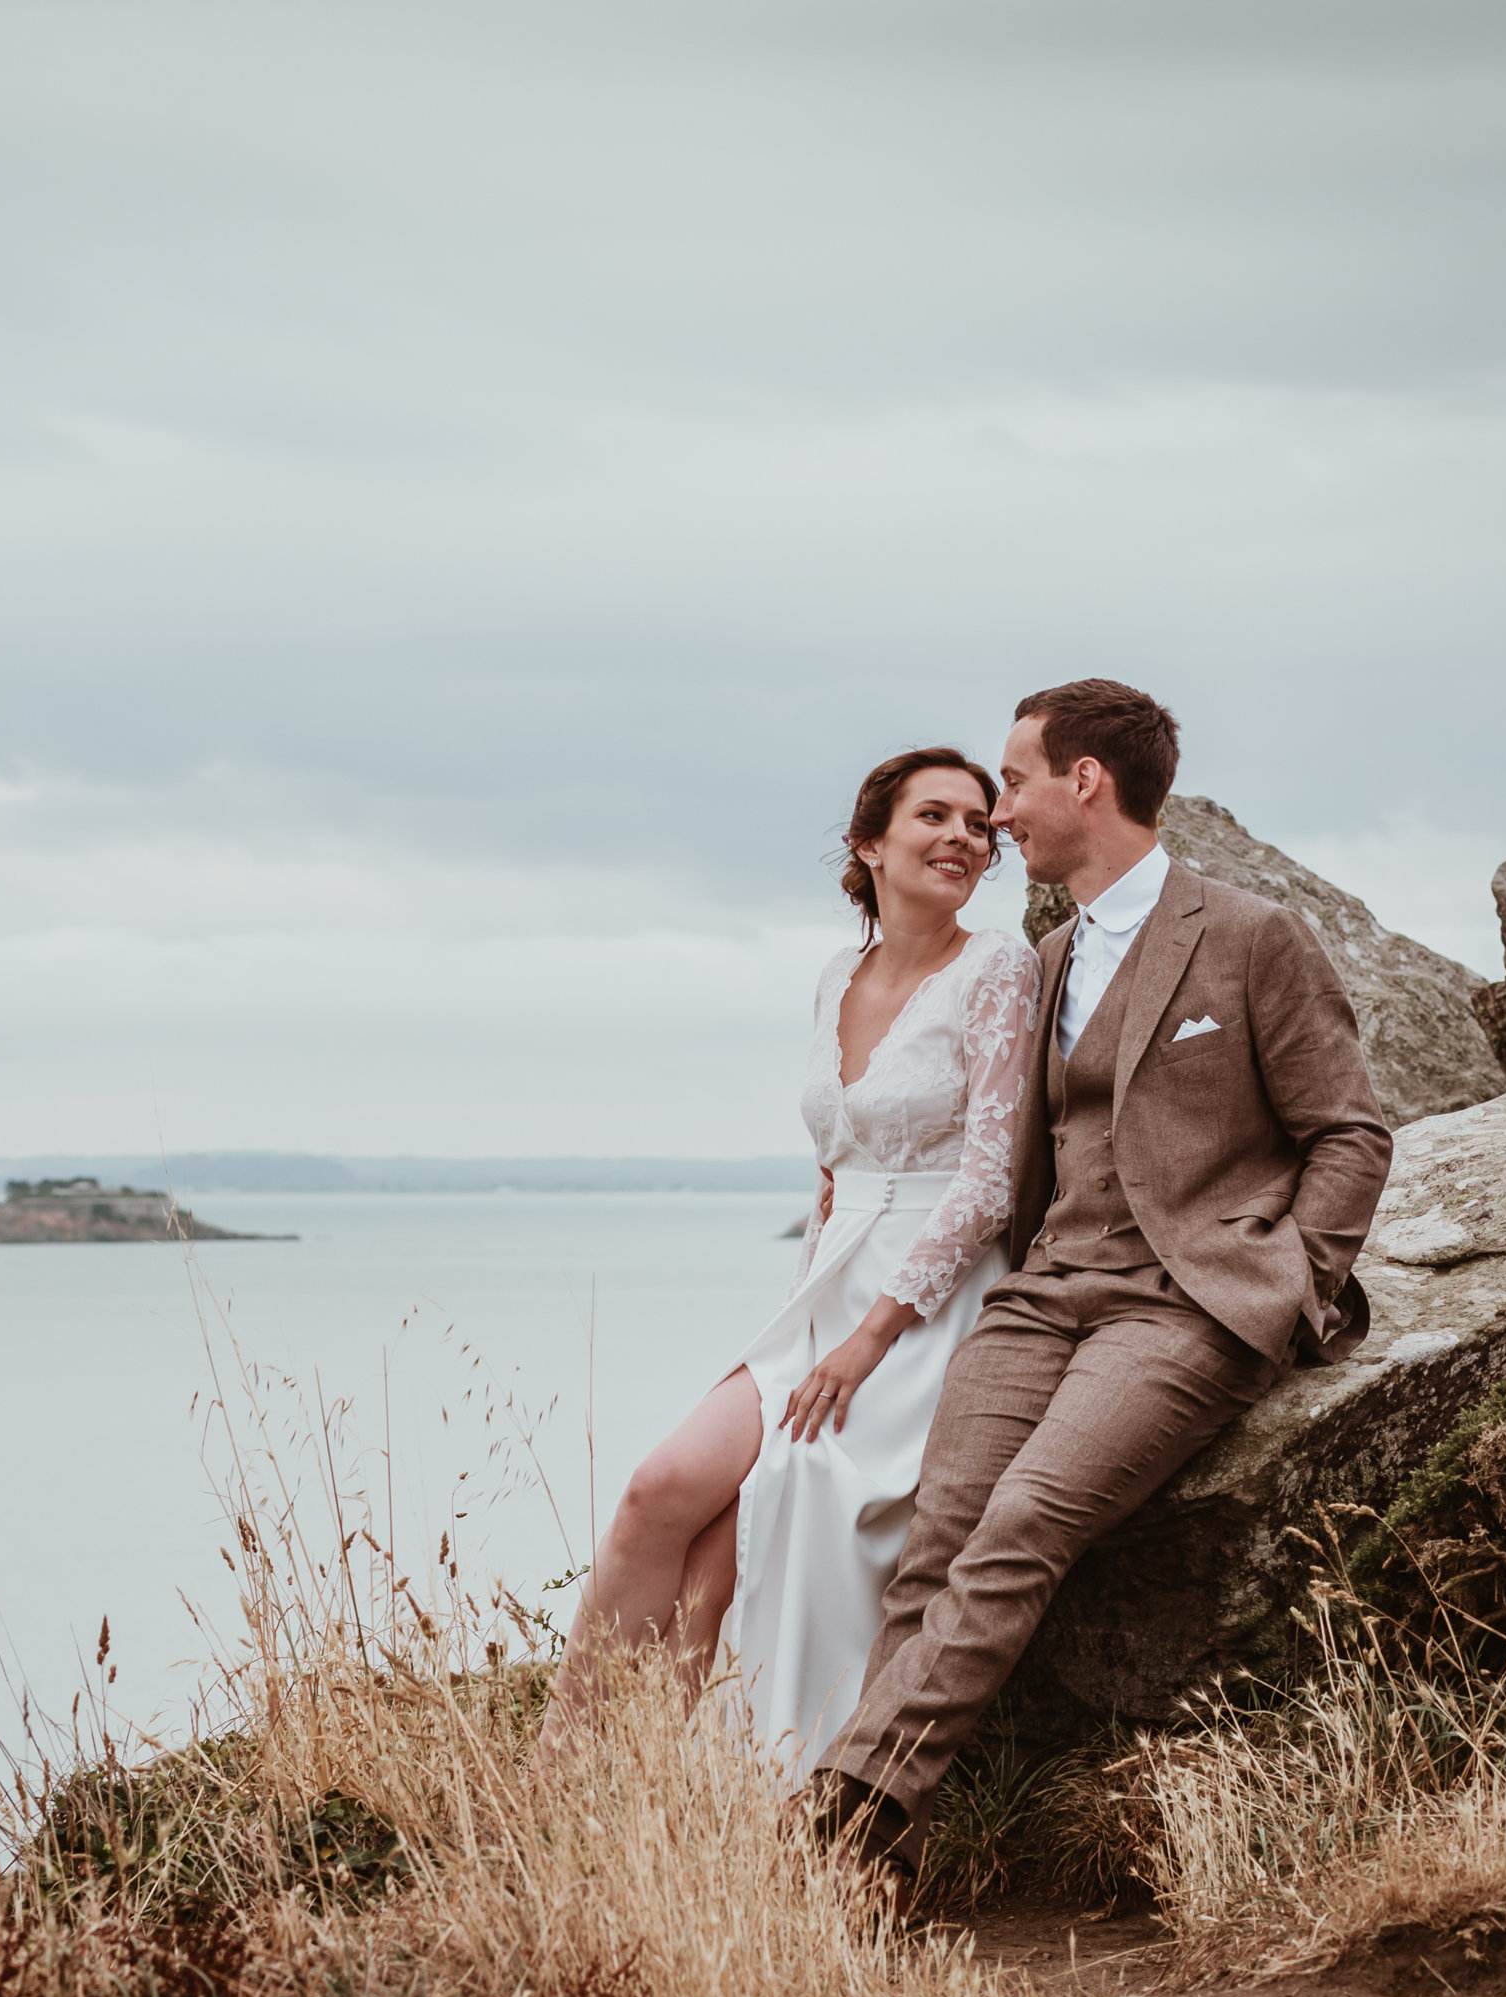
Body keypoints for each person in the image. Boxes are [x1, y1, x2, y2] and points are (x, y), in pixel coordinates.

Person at [802, 680, 1395, 1888]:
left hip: (1188, 1301)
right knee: (938, 1546)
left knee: (1023, 1529)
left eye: (1013, 784)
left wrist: (1289, 1281)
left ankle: (845, 1815)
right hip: (1048, 1289)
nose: (999, 815)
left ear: (1086, 782)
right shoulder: (1045, 957)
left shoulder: (1249, 933)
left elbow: (1351, 1133)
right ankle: (875, 1865)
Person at [547, 748, 1039, 1784]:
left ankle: (734, 1793)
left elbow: (991, 1182)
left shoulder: (997, 966)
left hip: (927, 1304)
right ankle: (562, 1772)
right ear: (870, 842)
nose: (963, 835)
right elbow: (835, 1162)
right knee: (658, 1490)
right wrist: (816, 1300)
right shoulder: (835, 977)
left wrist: (868, 1342)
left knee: (771, 1511)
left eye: (978, 824)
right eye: (934, 815)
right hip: (823, 1287)